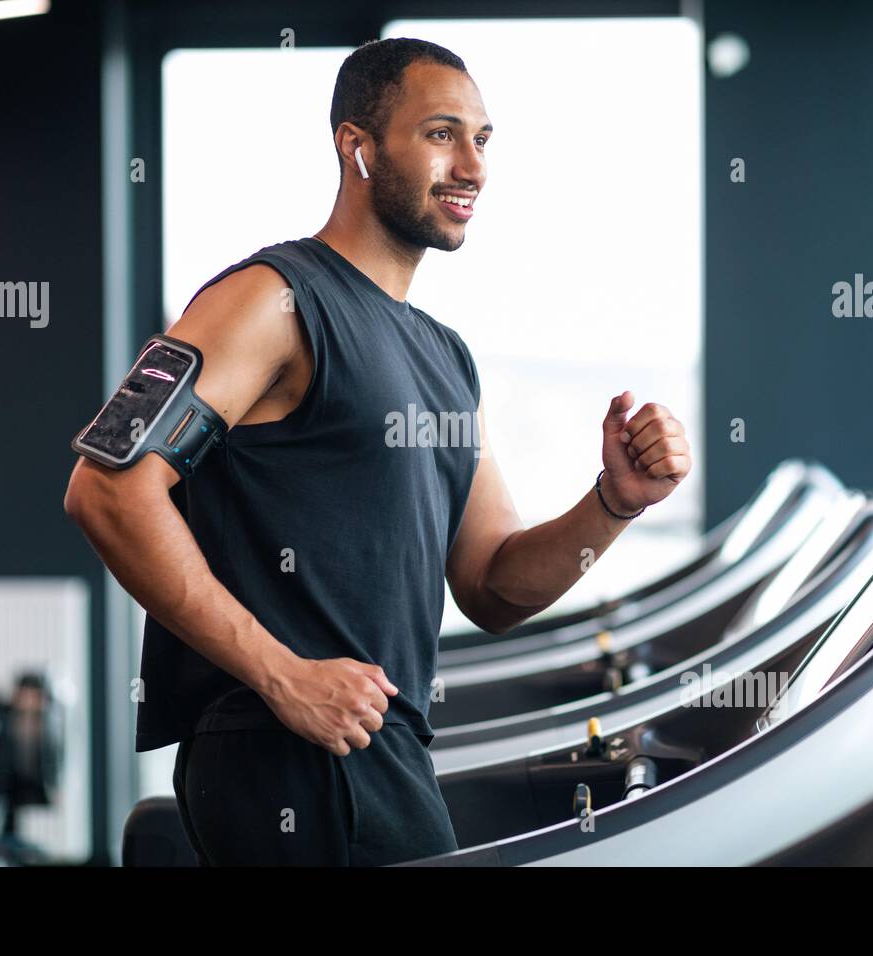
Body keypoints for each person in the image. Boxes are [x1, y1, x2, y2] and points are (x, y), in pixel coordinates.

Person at [63, 36, 692, 866]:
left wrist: (612, 503)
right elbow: (107, 489)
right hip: (286, 754)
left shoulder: (446, 357)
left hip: (385, 754)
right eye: (441, 134)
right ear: (356, 147)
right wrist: (282, 674)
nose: (473, 165)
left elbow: (493, 585)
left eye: (483, 139)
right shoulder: (271, 300)